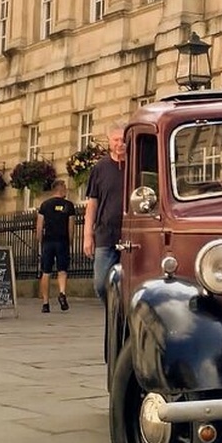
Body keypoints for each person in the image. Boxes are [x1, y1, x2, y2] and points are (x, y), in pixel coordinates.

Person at [83, 120, 126, 305]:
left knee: (128, 282)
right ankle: (112, 311)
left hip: (131, 235)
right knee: (101, 284)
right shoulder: (100, 168)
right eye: (116, 140)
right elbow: (92, 204)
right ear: (109, 141)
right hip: (105, 234)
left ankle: (124, 315)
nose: (120, 144)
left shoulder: (136, 164)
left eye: (123, 139)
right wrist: (87, 235)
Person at [36, 179, 76, 313]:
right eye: (65, 188)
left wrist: (40, 241)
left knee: (46, 272)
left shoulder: (45, 205)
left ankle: (45, 303)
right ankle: (62, 293)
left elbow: (39, 226)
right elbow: (71, 226)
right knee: (62, 270)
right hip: (62, 241)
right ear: (60, 189)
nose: (66, 191)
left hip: (48, 241)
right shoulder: (68, 206)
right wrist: (70, 241)